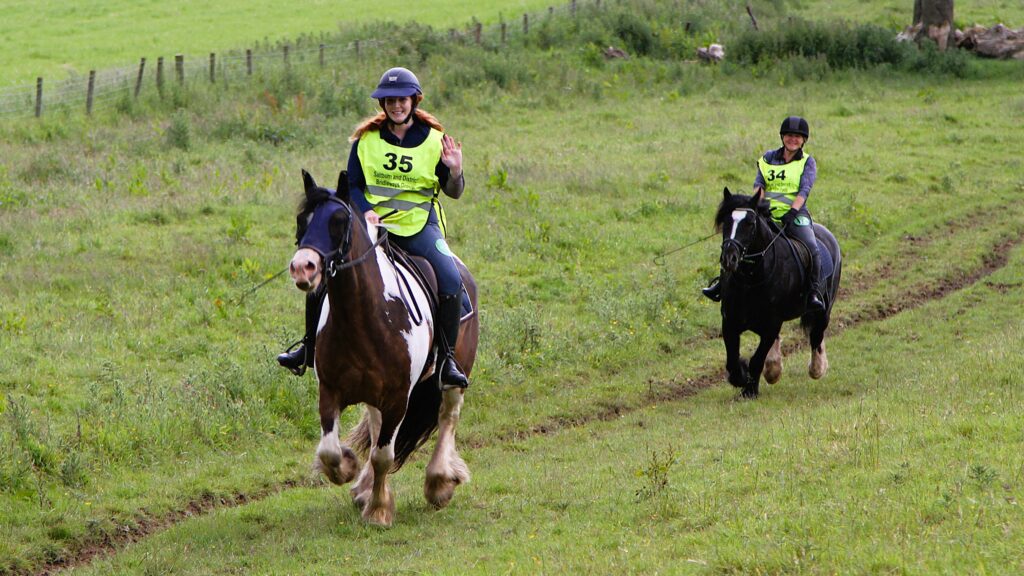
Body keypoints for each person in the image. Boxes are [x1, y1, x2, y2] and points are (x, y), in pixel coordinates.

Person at [277, 66, 470, 389]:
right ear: (383, 104)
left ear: (414, 100)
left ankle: (447, 360)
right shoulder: (365, 141)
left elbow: (455, 192)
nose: (397, 106)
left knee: (450, 279)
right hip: (373, 226)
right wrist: (365, 212)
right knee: (326, 272)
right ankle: (309, 348)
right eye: (390, 100)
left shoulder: (436, 141)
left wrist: (454, 172)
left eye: (402, 100)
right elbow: (352, 186)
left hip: (418, 227)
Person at [702, 116, 825, 312]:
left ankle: (813, 293)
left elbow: (805, 189)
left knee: (812, 247)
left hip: (795, 214)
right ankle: (721, 284)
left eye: (797, 137)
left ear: (803, 140)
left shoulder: (807, 162)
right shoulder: (768, 158)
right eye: (789, 135)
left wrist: (793, 211)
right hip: (766, 212)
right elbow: (759, 184)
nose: (792, 139)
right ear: (782, 137)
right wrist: (757, 205)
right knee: (738, 240)